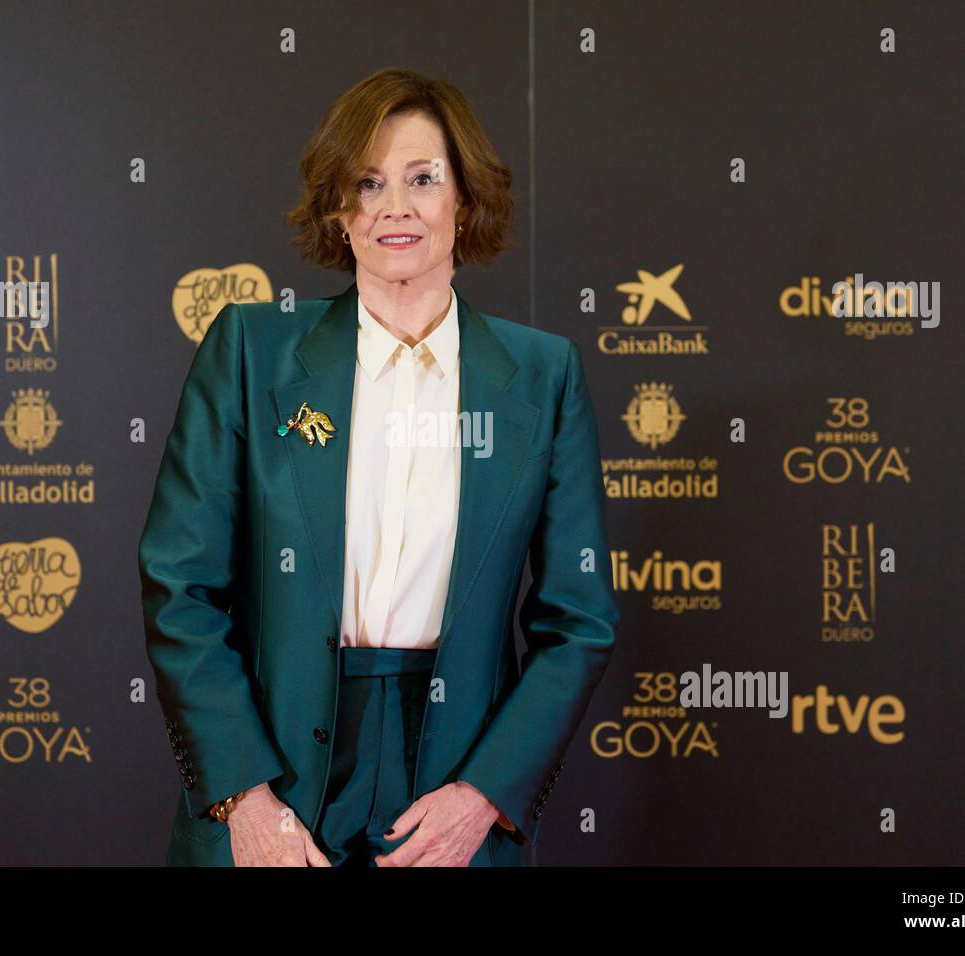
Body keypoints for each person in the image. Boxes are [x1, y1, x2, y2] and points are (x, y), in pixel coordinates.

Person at [138, 67, 619, 867]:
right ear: (339, 208)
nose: (394, 206)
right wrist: (245, 799)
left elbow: (579, 620)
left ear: (463, 200)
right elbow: (179, 582)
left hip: (454, 786)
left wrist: (485, 797)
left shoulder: (544, 376)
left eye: (422, 179)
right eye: (368, 182)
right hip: (275, 775)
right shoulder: (251, 351)